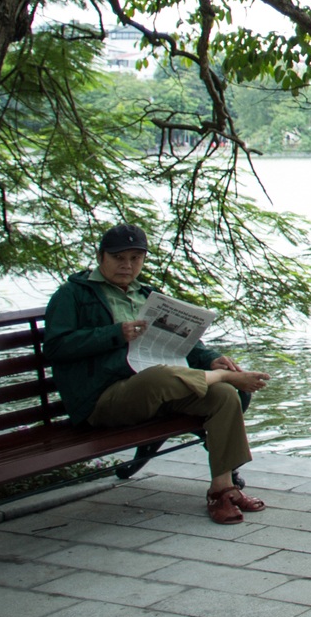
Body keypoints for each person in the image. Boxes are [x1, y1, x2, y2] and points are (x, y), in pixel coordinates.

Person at [44, 223, 273, 524]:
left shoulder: (147, 295)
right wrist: (114, 333)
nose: (127, 265)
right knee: (163, 376)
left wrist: (212, 359)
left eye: (135, 259)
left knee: (224, 395)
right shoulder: (74, 294)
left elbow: (185, 344)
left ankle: (222, 490)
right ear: (101, 256)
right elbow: (56, 347)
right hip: (104, 397)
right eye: (118, 257)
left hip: (154, 389)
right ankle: (223, 379)